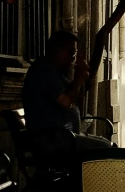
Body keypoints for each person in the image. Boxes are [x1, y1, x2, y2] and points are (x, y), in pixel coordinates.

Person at [22, 29, 88, 172]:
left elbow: (73, 100)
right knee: (106, 150)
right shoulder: (44, 70)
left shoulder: (55, 72)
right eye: (70, 52)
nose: (73, 58)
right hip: (51, 141)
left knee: (102, 145)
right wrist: (78, 79)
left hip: (61, 138)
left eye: (74, 53)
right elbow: (65, 102)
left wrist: (80, 79)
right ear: (56, 50)